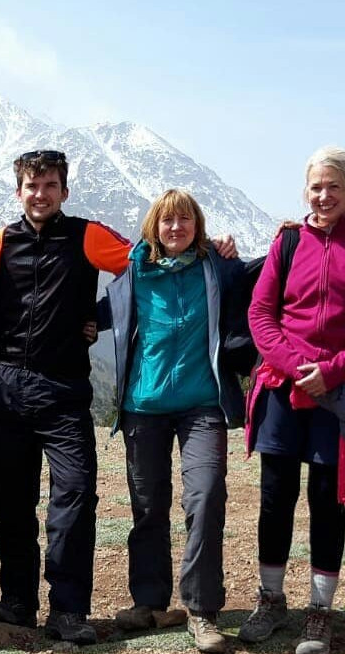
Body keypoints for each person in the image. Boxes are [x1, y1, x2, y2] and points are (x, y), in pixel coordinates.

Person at [240, 148, 345, 654]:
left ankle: (320, 611)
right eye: (315, 187)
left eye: (334, 187)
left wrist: (330, 372)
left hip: (339, 390)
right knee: (275, 496)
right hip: (285, 389)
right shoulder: (286, 241)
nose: (323, 196)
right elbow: (261, 314)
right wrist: (293, 368)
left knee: (328, 501)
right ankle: (271, 598)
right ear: (305, 190)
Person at [97, 189, 257, 654]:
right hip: (143, 407)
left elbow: (266, 271)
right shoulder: (134, 275)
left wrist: (291, 235)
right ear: (154, 227)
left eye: (184, 219)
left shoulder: (217, 267)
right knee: (148, 507)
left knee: (205, 496)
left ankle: (203, 611)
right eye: (166, 221)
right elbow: (97, 317)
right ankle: (148, 603)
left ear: (197, 226)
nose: (175, 228)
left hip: (202, 404)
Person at [0, 149, 133, 645]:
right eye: (32, 185)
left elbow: (143, 264)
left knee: (73, 499)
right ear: (19, 190)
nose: (40, 194)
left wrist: (101, 316)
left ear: (64, 192)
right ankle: (19, 603)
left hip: (64, 389)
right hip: (6, 388)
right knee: (11, 503)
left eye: (49, 185)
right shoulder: (3, 240)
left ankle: (68, 611)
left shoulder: (87, 234)